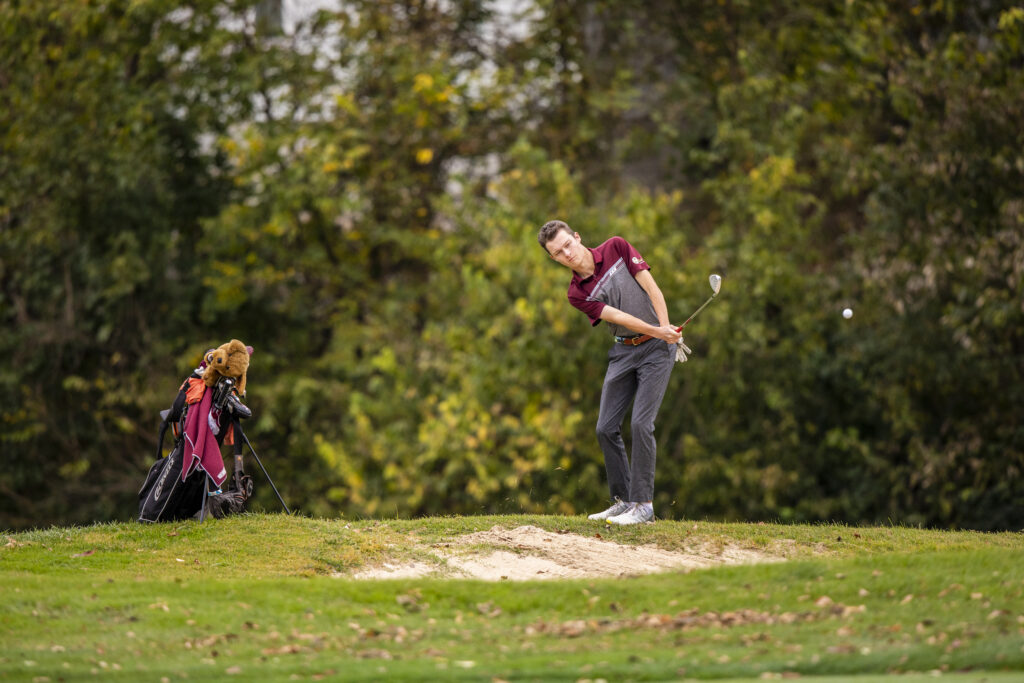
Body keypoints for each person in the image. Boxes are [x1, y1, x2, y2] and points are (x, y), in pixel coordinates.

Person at [538, 220, 685, 525]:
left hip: (656, 351)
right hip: (623, 351)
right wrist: (657, 330)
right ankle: (623, 501)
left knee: (642, 424)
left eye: (568, 244)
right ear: (553, 259)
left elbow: (651, 287)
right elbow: (616, 316)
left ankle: (643, 507)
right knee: (605, 427)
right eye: (559, 253)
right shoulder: (576, 293)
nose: (568, 253)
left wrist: (666, 328)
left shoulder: (616, 247)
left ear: (577, 237)